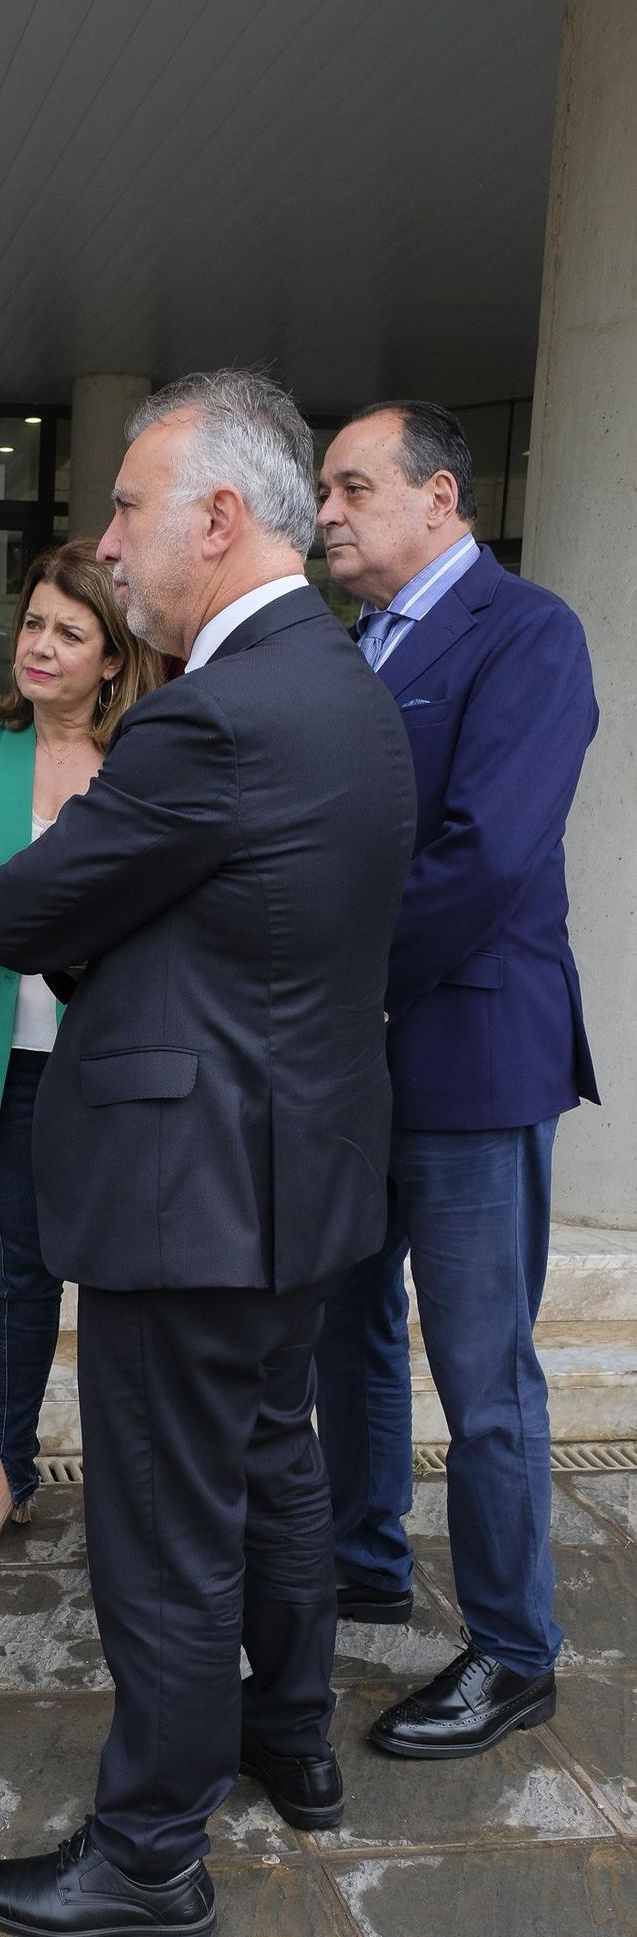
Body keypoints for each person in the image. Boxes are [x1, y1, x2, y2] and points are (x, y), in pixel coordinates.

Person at [0, 371, 416, 1937]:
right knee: (272, 1460)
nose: (107, 540)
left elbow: (17, 913)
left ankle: (148, 1851)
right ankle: (288, 1742)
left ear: (217, 520)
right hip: (299, 1178)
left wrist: (85, 908)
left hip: (187, 1190)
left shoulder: (212, 712)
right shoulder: (347, 683)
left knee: (161, 1520)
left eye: (128, 508)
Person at [314, 401, 599, 1756]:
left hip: (470, 1059)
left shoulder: (528, 634)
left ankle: (512, 1649)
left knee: (481, 1372)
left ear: (437, 500)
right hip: (359, 1066)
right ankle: (362, 1558)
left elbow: (483, 857)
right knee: (347, 1327)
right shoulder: (353, 643)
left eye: (350, 487)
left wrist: (340, 978)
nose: (326, 511)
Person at [0, 540, 161, 1565]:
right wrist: (52, 911)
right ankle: (7, 1472)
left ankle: (135, 1482)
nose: (41, 648)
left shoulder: (143, 757)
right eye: (31, 625)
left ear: (111, 656)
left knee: (117, 1277)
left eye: (69, 632)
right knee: (25, 1275)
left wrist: (5, 896)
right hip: (4, 1065)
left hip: (110, 1068)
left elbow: (144, 914)